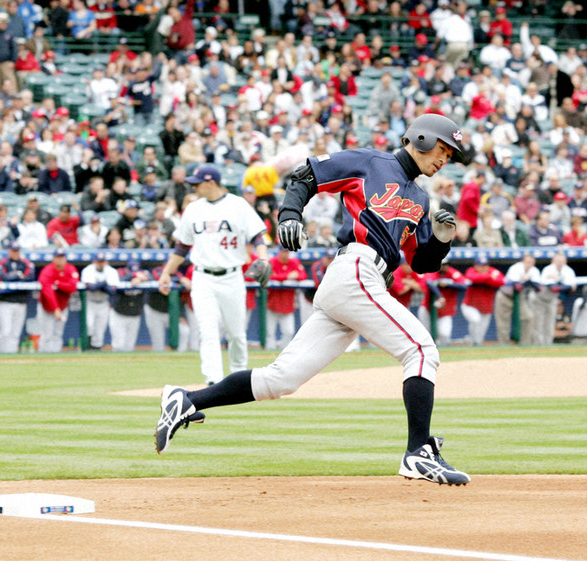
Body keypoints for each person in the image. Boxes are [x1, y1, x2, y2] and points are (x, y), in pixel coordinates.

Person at [154, 114, 471, 485]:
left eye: (450, 154)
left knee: (280, 380)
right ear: (419, 138)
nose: (445, 158)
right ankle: (418, 451)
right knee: (421, 351)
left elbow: (421, 263)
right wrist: (289, 214)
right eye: (444, 148)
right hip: (355, 269)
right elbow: (308, 174)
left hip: (364, 282)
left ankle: (187, 400)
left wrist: (442, 240)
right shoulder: (372, 162)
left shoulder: (419, 196)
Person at [156, 164, 269, 386]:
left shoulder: (237, 205)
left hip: (231, 276)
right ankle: (213, 380)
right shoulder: (193, 209)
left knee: (236, 333)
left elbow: (258, 235)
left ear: (211, 183)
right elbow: (182, 247)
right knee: (207, 331)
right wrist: (166, 273)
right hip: (202, 278)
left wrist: (263, 257)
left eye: (197, 183)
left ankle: (238, 377)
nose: (194, 187)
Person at [0, 241, 36, 353]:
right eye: (13, 250)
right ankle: (1, 354)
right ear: (9, 251)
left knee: (15, 333)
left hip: (21, 301)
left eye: (17, 250)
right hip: (5, 302)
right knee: (5, 332)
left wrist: (13, 276)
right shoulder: (3, 263)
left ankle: (11, 356)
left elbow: (30, 276)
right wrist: (17, 275)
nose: (15, 253)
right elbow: (1, 277)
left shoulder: (25, 263)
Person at [36, 248, 79, 353]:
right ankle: (43, 359)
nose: (60, 260)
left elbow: (72, 287)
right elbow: (47, 292)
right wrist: (56, 309)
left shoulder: (70, 269)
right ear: (54, 259)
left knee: (57, 334)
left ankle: (56, 358)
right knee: (46, 334)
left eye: (62, 257)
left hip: (63, 306)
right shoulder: (47, 270)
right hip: (46, 307)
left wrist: (57, 283)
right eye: (58, 257)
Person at [266, 245, 308, 350]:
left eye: (286, 252)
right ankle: (268, 352)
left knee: (289, 332)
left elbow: (303, 275)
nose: (284, 254)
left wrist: (282, 276)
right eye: (283, 252)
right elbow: (268, 276)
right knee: (270, 333)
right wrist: (287, 276)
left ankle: (283, 352)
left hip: (288, 304)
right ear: (279, 252)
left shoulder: (294, 262)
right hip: (273, 303)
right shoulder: (272, 261)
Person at [494, 253, 540, 345]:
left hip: (519, 297)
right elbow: (517, 286)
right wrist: (529, 281)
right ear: (522, 261)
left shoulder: (534, 271)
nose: (529, 264)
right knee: (503, 323)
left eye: (532, 262)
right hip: (505, 296)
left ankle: (524, 344)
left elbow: (538, 287)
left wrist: (528, 280)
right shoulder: (516, 268)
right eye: (527, 262)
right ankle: (504, 346)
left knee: (528, 317)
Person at [460, 253, 505, 346]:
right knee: (476, 320)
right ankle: (472, 342)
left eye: (485, 265)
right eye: (481, 266)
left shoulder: (493, 271)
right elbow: (472, 278)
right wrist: (489, 277)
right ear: (476, 266)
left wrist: (484, 278)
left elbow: (501, 281)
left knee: (481, 332)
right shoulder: (471, 270)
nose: (484, 268)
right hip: (470, 306)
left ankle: (476, 346)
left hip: (486, 308)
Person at [534, 252, 576, 345]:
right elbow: (552, 287)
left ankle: (548, 345)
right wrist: (563, 285)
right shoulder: (548, 269)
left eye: (562, 261)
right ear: (553, 261)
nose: (560, 262)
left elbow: (572, 287)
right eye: (558, 260)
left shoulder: (568, 270)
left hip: (552, 299)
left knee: (550, 323)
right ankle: (538, 346)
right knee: (539, 323)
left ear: (565, 261)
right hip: (540, 298)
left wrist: (561, 284)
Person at [422, 257, 466, 346]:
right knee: (425, 334)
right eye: (441, 265)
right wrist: (440, 295)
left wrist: (449, 284)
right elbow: (429, 283)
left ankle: (443, 354)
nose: (443, 267)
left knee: (445, 334)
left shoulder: (453, 273)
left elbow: (464, 286)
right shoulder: (432, 271)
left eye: (445, 265)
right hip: (428, 309)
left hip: (446, 310)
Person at [81, 251, 119, 350]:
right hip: (90, 302)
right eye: (98, 261)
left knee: (100, 329)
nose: (100, 263)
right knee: (89, 326)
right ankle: (86, 348)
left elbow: (112, 291)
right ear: (94, 262)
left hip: (103, 303)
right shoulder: (88, 270)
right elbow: (91, 288)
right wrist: (104, 284)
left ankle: (96, 351)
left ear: (106, 262)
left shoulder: (111, 271)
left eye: (102, 261)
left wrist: (99, 285)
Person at [110, 259, 149, 352]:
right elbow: (116, 282)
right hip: (119, 313)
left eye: (136, 271)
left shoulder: (144, 274)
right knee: (118, 345)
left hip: (135, 314)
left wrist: (140, 278)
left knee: (129, 346)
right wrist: (132, 275)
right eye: (131, 271)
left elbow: (152, 278)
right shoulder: (119, 272)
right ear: (127, 269)